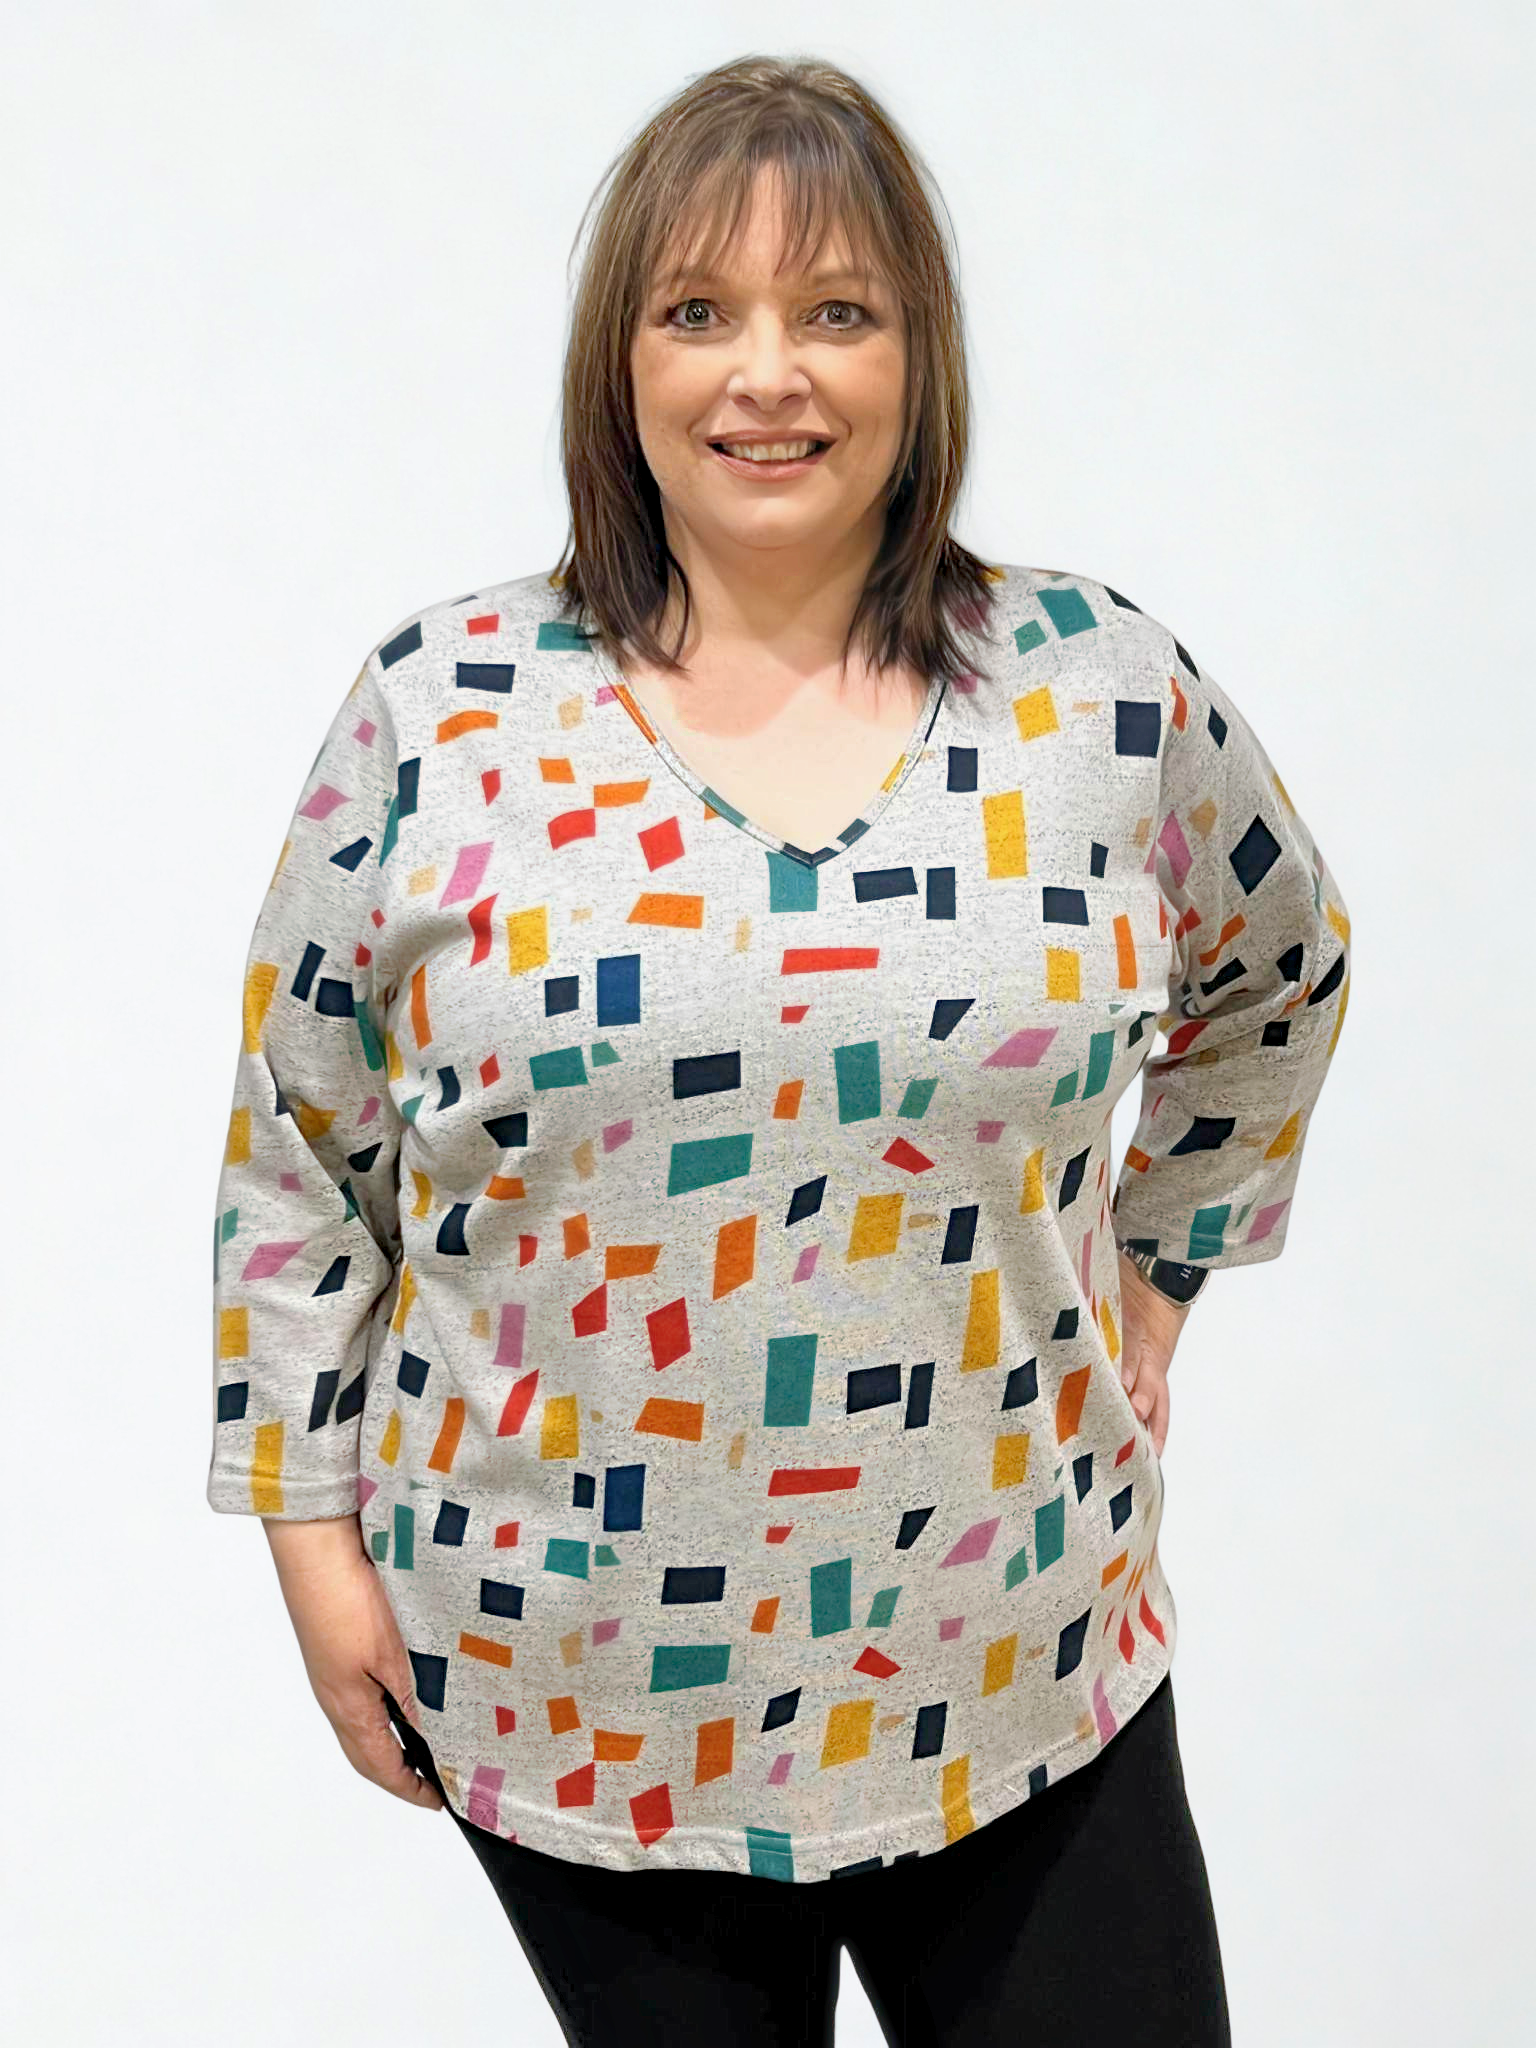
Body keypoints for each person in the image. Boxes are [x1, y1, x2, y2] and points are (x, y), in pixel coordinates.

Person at [206, 52, 1352, 2048]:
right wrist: (311, 1539)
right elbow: (301, 1149)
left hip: (1018, 1650)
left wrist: (1161, 1272)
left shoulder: (1098, 696)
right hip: (580, 1679)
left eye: (837, 310)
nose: (769, 375)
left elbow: (1282, 968)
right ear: (621, 360)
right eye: (698, 311)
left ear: (920, 356)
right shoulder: (443, 713)